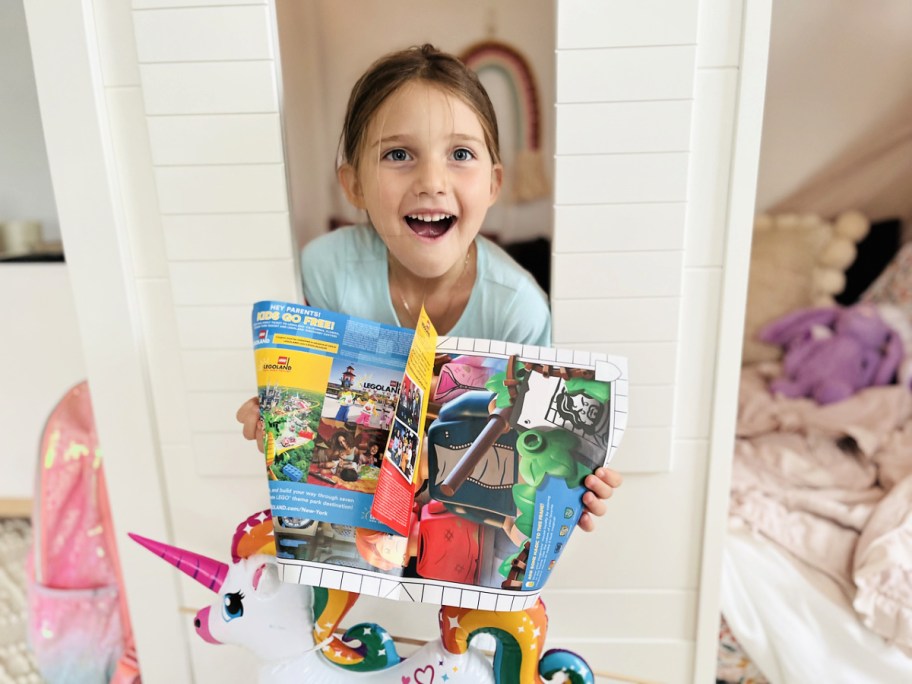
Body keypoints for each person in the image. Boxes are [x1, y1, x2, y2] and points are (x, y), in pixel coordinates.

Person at [237, 44, 621, 531]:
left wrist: (573, 481)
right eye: (398, 154)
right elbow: (316, 410)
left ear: (493, 184)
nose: (432, 181)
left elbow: (533, 450)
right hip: (362, 520)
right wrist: (280, 415)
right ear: (353, 185)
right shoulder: (324, 272)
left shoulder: (519, 309)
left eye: (460, 154)